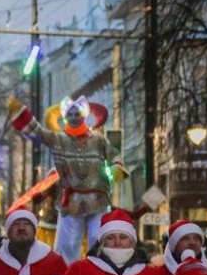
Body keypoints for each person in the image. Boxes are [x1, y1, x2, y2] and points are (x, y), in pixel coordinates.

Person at [7, 95, 126, 263]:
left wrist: (116, 168)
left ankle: (102, 271)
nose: (73, 117)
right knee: (67, 245)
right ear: (64, 117)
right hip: (71, 201)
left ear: (84, 115)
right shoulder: (59, 140)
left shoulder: (98, 140)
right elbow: (37, 132)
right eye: (69, 114)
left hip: (98, 198)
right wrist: (21, 113)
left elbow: (114, 155)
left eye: (76, 113)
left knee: (99, 239)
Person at [63, 209, 172, 275]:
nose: (117, 243)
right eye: (110, 238)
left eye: (123, 237)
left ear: (132, 241)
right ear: (102, 242)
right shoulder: (80, 270)